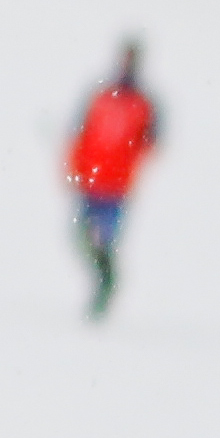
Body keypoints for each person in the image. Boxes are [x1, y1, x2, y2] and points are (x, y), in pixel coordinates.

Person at [66, 40, 161, 320]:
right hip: (90, 181)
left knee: (104, 240)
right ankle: (104, 277)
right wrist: (76, 167)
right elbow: (81, 133)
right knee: (80, 236)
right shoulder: (101, 96)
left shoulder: (144, 104)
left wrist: (128, 159)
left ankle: (106, 284)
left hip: (116, 187)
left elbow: (151, 143)